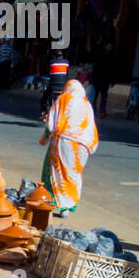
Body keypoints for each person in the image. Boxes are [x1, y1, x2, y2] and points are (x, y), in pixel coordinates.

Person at [39, 77, 98, 217]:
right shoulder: (86, 104)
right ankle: (69, 206)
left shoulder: (63, 99)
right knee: (73, 175)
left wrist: (44, 139)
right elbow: (90, 129)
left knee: (55, 172)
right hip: (82, 146)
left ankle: (53, 201)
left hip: (63, 142)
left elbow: (53, 123)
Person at [91, 41, 116, 118]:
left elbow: (112, 69)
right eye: (109, 45)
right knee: (95, 96)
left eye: (111, 46)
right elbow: (95, 68)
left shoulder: (111, 57)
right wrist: (92, 79)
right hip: (98, 79)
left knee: (104, 96)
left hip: (106, 80)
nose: (110, 47)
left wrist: (112, 80)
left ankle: (102, 111)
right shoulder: (100, 56)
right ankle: (93, 110)